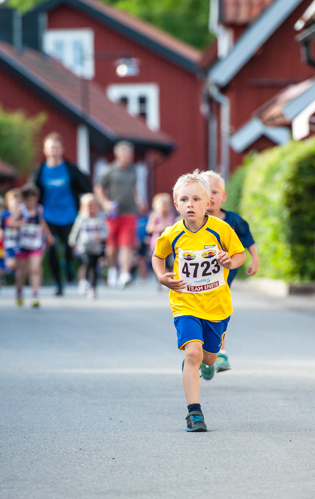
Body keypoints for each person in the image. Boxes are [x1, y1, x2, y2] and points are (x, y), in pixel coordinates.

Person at [152, 170, 245, 433]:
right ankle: (194, 413)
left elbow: (239, 255)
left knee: (209, 359)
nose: (190, 204)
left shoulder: (221, 229)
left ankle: (202, 362)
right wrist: (162, 276)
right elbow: (157, 256)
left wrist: (230, 260)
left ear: (208, 204)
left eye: (196, 199)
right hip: (185, 303)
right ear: (176, 204)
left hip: (217, 306)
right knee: (192, 353)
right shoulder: (173, 233)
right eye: (184, 200)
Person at [203, 170, 260, 373]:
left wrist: (255, 259)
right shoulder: (194, 223)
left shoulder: (234, 221)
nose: (211, 197)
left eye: (215, 192)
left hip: (224, 278)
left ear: (224, 196)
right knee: (202, 313)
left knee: (220, 313)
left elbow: (248, 240)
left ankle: (220, 352)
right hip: (200, 280)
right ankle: (204, 352)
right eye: (206, 193)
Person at [29, 133, 92, 296]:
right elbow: (31, 191)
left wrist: (89, 204)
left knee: (68, 248)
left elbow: (86, 187)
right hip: (48, 215)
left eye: (56, 147)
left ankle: (69, 266)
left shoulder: (70, 169)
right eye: (50, 147)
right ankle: (58, 283)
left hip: (70, 215)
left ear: (62, 149)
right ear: (45, 149)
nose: (53, 150)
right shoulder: (40, 170)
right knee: (51, 249)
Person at [94, 141, 146, 289]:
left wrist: (140, 200)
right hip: (113, 214)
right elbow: (98, 188)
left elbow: (135, 188)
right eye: (125, 153)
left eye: (130, 153)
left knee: (126, 244)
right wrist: (105, 203)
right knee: (111, 247)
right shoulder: (110, 170)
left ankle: (124, 274)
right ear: (118, 154)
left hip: (130, 212)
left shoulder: (133, 170)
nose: (128, 156)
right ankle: (112, 271)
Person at [10, 184, 54, 308]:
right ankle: (19, 290)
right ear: (24, 199)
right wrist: (19, 223)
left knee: (35, 269)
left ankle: (35, 294)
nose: (31, 202)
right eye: (28, 199)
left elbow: (42, 223)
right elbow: (11, 222)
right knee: (22, 272)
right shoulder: (21, 210)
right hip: (23, 244)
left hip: (36, 244)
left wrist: (49, 236)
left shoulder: (39, 210)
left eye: (33, 199)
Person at [68, 193, 107, 300]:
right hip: (84, 246)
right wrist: (72, 242)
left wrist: (100, 236)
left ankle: (93, 288)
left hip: (96, 247)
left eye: (93, 206)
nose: (91, 209)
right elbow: (75, 231)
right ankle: (83, 281)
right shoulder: (81, 218)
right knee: (87, 264)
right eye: (88, 207)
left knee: (94, 268)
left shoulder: (101, 218)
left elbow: (106, 232)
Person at [0, 188, 21, 276]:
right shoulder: (5, 214)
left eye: (18, 199)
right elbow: (4, 225)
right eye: (13, 199)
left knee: (21, 264)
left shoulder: (23, 213)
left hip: (21, 242)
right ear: (7, 202)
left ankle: (19, 283)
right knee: (11, 264)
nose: (15, 201)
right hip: (9, 242)